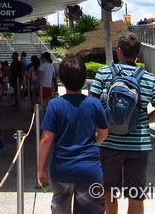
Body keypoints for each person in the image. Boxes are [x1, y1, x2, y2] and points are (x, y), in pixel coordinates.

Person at [89, 33, 155, 214]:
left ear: (119, 52)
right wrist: (142, 120)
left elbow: (92, 106)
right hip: (139, 145)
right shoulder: (149, 78)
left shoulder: (104, 73)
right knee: (135, 195)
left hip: (109, 143)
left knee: (108, 190)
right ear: (138, 54)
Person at [37, 56, 109, 214]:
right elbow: (103, 133)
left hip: (62, 170)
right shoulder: (94, 104)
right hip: (90, 170)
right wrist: (92, 144)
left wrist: (40, 169)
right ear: (84, 79)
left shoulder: (55, 105)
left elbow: (46, 139)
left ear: (61, 78)